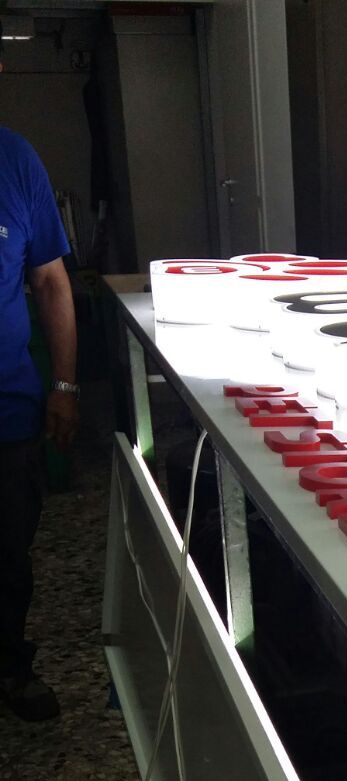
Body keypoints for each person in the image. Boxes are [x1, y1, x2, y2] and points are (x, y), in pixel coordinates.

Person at [1, 84, 79, 721]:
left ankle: (10, 668)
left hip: (9, 407)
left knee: (8, 555)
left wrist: (64, 384)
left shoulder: (16, 159)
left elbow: (51, 280)